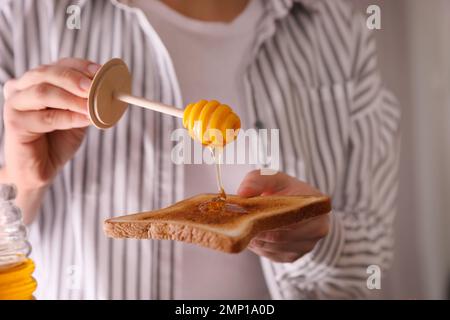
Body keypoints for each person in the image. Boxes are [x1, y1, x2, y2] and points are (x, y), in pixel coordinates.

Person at [0, 0, 400, 299]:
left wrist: (322, 238)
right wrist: (24, 179)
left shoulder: (336, 26)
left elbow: (371, 264)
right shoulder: (22, 15)